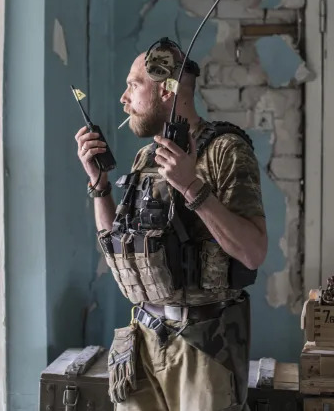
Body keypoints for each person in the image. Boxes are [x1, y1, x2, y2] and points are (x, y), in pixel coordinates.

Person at [74, 38, 268, 411]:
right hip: (143, 340)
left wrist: (191, 186)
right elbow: (119, 243)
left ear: (165, 90)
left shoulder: (226, 151)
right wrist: (99, 186)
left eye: (134, 84)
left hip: (203, 347)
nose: (124, 98)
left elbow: (253, 251)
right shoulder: (146, 157)